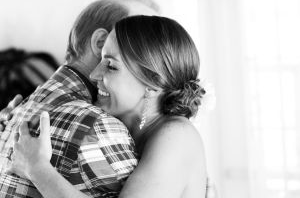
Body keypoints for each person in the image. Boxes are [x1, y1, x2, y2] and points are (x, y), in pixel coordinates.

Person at [10, 15, 208, 198]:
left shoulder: (178, 136)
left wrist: (37, 169)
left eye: (111, 66)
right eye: (101, 60)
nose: (94, 74)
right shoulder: (120, 126)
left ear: (153, 83)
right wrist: (16, 119)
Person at [0, 0, 158, 197]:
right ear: (101, 42)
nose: (155, 55)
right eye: (143, 41)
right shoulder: (98, 126)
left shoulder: (19, 111)